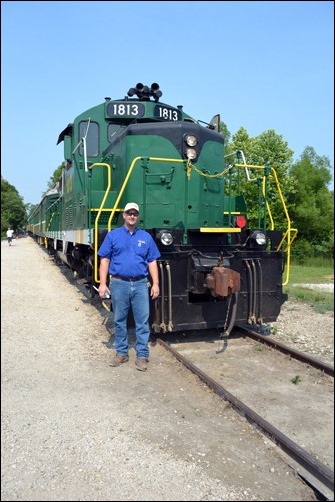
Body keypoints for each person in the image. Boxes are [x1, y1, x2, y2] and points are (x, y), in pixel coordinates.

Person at [98, 202, 160, 372]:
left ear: (137, 216)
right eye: (129, 213)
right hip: (119, 283)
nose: (132, 216)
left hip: (140, 283)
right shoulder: (113, 236)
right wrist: (103, 284)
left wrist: (155, 284)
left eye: (135, 213)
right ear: (124, 215)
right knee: (119, 320)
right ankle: (121, 352)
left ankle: (142, 355)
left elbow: (152, 261)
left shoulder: (146, 237)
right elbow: (104, 260)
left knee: (142, 321)